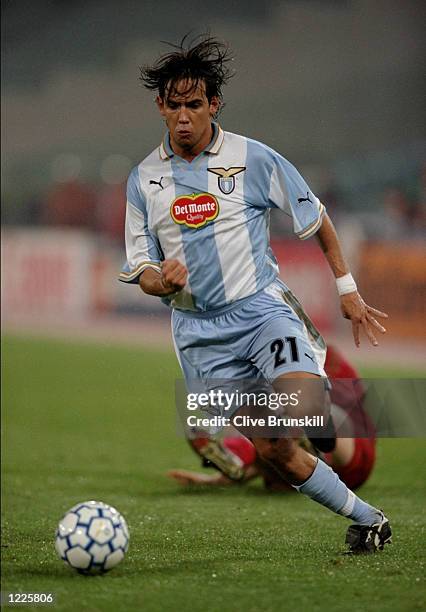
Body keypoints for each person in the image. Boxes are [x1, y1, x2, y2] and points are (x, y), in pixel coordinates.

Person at [119, 35, 390, 554]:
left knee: (301, 406)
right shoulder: (143, 182)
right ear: (160, 106)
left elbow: (317, 217)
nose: (183, 117)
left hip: (262, 310)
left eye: (194, 104)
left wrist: (347, 290)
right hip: (199, 337)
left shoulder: (253, 157)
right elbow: (140, 270)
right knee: (275, 449)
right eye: (173, 105)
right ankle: (370, 519)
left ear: (213, 103)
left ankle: (321, 410)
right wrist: (161, 281)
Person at [168, 345, 376, 492]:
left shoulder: (323, 358)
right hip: (303, 466)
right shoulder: (273, 357)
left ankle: (243, 459)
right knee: (268, 426)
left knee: (308, 412)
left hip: (347, 457)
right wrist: (216, 481)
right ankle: (243, 463)